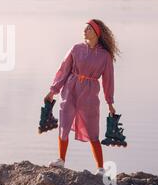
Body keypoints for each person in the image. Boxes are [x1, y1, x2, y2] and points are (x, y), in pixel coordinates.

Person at [44, 19, 120, 175]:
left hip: (90, 96)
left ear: (97, 33)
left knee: (93, 131)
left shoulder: (105, 56)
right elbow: (63, 70)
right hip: (70, 90)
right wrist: (53, 91)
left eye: (88, 29)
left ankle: (100, 168)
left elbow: (108, 80)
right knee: (64, 125)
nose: (84, 32)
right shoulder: (76, 49)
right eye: (85, 29)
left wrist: (110, 102)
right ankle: (61, 160)